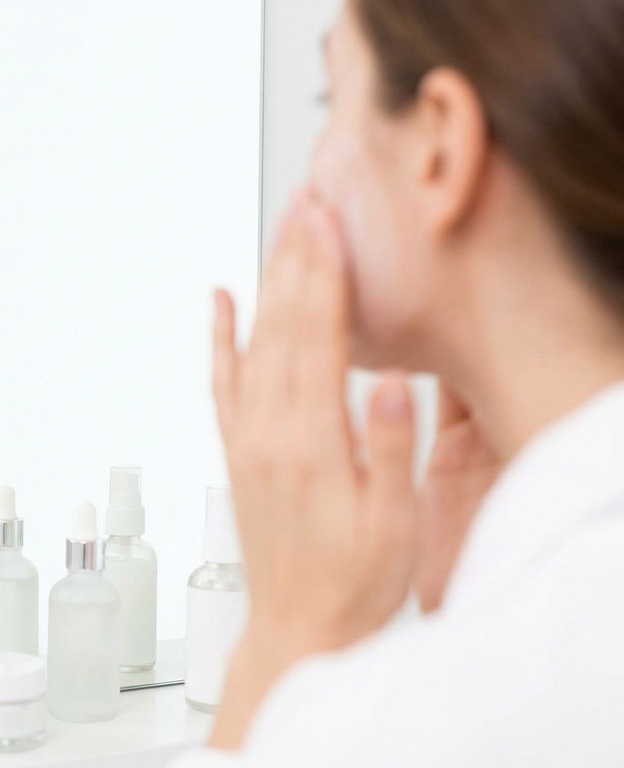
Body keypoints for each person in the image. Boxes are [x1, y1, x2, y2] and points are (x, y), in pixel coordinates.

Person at [175, 0, 624, 764]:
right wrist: (473, 609)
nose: (308, 174)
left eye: (331, 97)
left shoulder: (512, 682)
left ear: (441, 147)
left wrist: (288, 635)